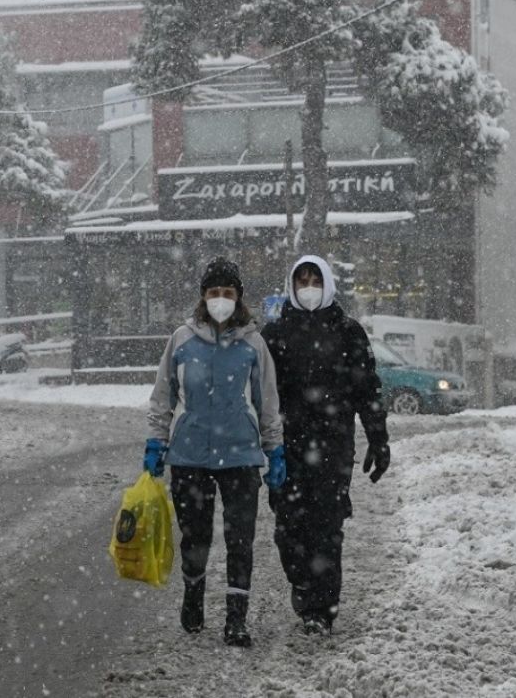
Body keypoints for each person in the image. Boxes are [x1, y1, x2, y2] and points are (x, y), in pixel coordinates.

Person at [145, 257, 285, 648]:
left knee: (241, 539)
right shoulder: (181, 340)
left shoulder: (254, 344)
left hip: (241, 456)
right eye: (213, 292)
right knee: (195, 537)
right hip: (189, 455)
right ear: (202, 297)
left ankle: (236, 620)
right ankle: (193, 595)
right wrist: (157, 441)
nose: (220, 299)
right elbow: (163, 396)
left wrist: (275, 451)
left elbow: (267, 401)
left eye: (227, 292)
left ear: (238, 297)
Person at [260, 255, 390, 635]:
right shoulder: (275, 334)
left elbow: (368, 388)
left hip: (334, 448)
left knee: (327, 528)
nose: (309, 288)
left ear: (328, 283)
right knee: (288, 528)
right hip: (287, 449)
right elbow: (258, 394)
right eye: (302, 281)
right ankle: (302, 584)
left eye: (315, 280)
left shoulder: (348, 332)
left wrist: (378, 437)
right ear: (292, 286)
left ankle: (322, 609)